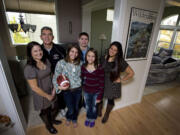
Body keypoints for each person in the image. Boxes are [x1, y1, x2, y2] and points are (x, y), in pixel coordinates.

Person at [24, 41, 61, 134]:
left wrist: (54, 88)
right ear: (30, 53)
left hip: (51, 88)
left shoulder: (46, 60)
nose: (39, 53)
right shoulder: (29, 68)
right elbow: (34, 87)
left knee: (56, 107)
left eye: (40, 50)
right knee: (46, 111)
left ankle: (51, 119)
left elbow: (51, 74)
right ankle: (49, 126)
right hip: (41, 93)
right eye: (35, 51)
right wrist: (47, 96)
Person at [101, 41, 134, 123]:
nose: (112, 51)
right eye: (111, 48)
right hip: (102, 82)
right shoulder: (102, 58)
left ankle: (107, 114)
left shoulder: (120, 61)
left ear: (118, 52)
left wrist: (122, 80)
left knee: (110, 100)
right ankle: (99, 110)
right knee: (100, 98)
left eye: (115, 50)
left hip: (113, 85)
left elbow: (131, 73)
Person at [53, 44, 83, 128]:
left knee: (76, 107)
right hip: (67, 91)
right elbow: (55, 77)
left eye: (76, 52)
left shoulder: (80, 63)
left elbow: (85, 73)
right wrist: (59, 87)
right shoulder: (61, 63)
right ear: (68, 51)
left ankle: (74, 119)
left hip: (78, 89)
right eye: (72, 51)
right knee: (70, 108)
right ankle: (68, 117)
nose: (74, 54)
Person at [40, 26, 66, 117]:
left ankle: (62, 108)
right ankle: (49, 112)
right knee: (47, 96)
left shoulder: (60, 49)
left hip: (59, 76)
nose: (47, 37)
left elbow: (65, 63)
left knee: (60, 94)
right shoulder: (38, 50)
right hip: (45, 78)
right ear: (41, 37)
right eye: (44, 34)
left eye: (49, 34)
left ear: (53, 37)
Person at [81, 48, 104, 128]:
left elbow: (101, 83)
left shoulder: (99, 67)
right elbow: (83, 79)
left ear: (96, 57)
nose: (90, 58)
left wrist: (100, 96)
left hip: (96, 92)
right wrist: (83, 90)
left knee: (94, 107)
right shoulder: (83, 66)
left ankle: (93, 119)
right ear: (86, 56)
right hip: (87, 91)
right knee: (88, 106)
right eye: (89, 56)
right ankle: (88, 117)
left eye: (93, 56)